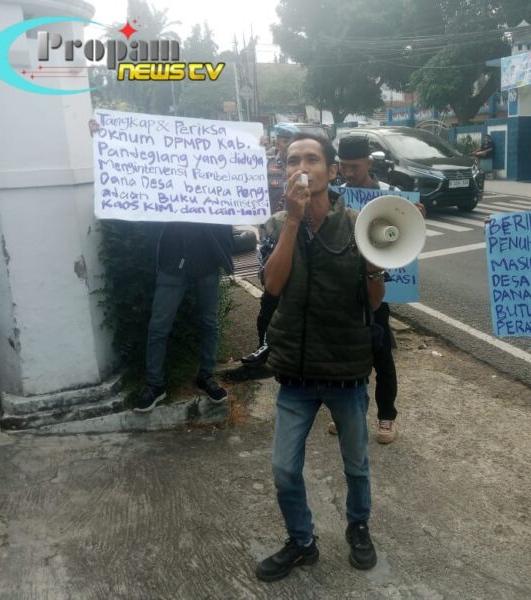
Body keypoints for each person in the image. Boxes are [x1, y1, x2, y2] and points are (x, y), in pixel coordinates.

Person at [255, 132, 384, 582]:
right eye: (292, 160)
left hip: (346, 369)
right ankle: (301, 541)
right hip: (295, 372)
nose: (301, 167)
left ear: (331, 171)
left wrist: (376, 262)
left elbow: (373, 301)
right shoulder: (275, 225)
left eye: (311, 159)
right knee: (283, 468)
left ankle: (358, 526)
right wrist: (293, 222)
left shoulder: (358, 224)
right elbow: (273, 285)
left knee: (356, 464)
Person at [88, 118, 233, 412]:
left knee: (209, 323)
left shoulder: (212, 176)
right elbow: (127, 166)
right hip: (171, 262)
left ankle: (206, 375)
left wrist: (256, 148)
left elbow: (238, 169)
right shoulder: (158, 175)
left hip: (206, 261)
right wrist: (101, 138)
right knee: (159, 325)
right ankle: (155, 384)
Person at [326, 135, 424, 444]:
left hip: (376, 287)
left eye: (354, 166)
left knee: (381, 356)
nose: (348, 173)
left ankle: (386, 417)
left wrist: (417, 217)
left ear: (369, 162)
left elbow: (408, 236)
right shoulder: (334, 195)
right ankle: (348, 413)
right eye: (343, 166)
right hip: (344, 288)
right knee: (346, 356)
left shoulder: (392, 195)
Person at [241, 123, 299, 369]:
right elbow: (244, 178)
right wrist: (253, 151)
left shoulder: (304, 167)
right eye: (283, 140)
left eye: (290, 140)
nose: (286, 145)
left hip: (298, 237)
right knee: (270, 295)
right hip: (272, 236)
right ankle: (264, 345)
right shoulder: (266, 163)